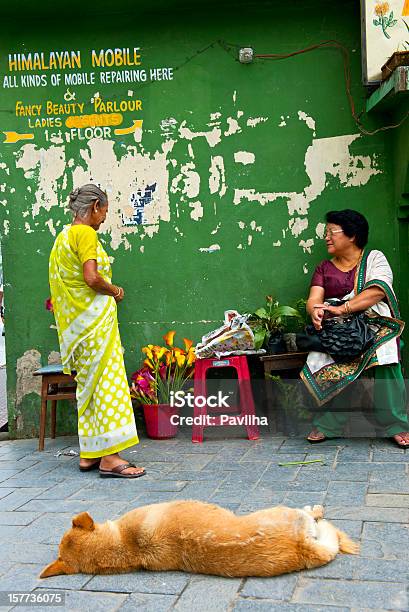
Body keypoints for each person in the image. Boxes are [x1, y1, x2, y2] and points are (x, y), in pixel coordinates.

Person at [49, 184, 146, 477]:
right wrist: (114, 290)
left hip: (78, 331)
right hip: (95, 327)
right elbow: (91, 278)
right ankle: (111, 458)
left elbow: (64, 286)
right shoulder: (86, 233)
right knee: (107, 386)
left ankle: (89, 454)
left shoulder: (62, 238)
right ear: (95, 207)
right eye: (105, 210)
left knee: (88, 389)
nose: (105, 217)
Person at [302, 209, 409, 447]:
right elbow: (314, 298)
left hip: (373, 325)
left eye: (332, 232)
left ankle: (396, 424)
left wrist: (344, 308)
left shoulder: (374, 259)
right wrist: (315, 311)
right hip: (339, 330)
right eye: (326, 232)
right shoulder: (324, 268)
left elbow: (378, 291)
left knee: (386, 353)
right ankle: (331, 423)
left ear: (351, 235)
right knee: (330, 354)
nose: (326, 237)